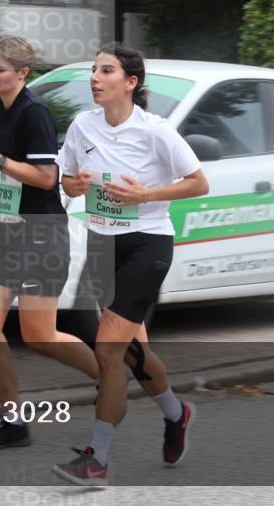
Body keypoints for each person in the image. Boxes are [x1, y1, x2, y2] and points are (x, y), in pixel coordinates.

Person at [51, 43, 209, 487]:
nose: (95, 78)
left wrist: (146, 195)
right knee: (137, 355)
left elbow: (199, 182)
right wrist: (75, 184)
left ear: (131, 82)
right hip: (104, 245)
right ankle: (178, 415)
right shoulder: (83, 126)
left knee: (108, 351)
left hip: (147, 245)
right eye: (94, 71)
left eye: (106, 71)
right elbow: (67, 179)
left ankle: (96, 459)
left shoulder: (156, 132)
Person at [0, 35, 99, 451]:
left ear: (23, 73)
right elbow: (9, 165)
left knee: (40, 336)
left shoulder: (36, 114)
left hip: (41, 232)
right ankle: (13, 422)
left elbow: (46, 178)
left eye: (1, 69)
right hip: (6, 229)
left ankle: (109, 375)